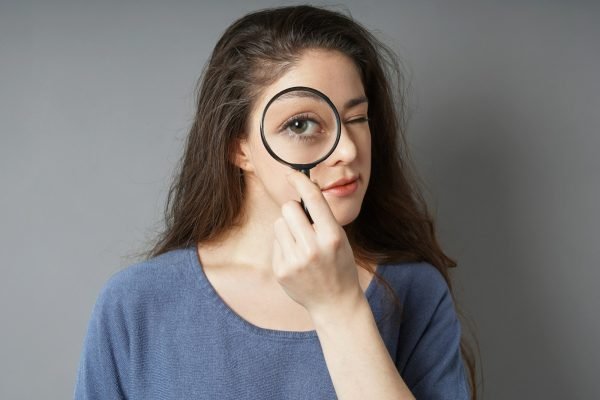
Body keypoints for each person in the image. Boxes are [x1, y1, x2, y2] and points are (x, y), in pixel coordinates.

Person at [74, 5, 477, 400]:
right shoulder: (136, 304)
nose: (348, 150)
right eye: (301, 124)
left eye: (357, 118)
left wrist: (339, 310)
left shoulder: (416, 291)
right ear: (239, 148)